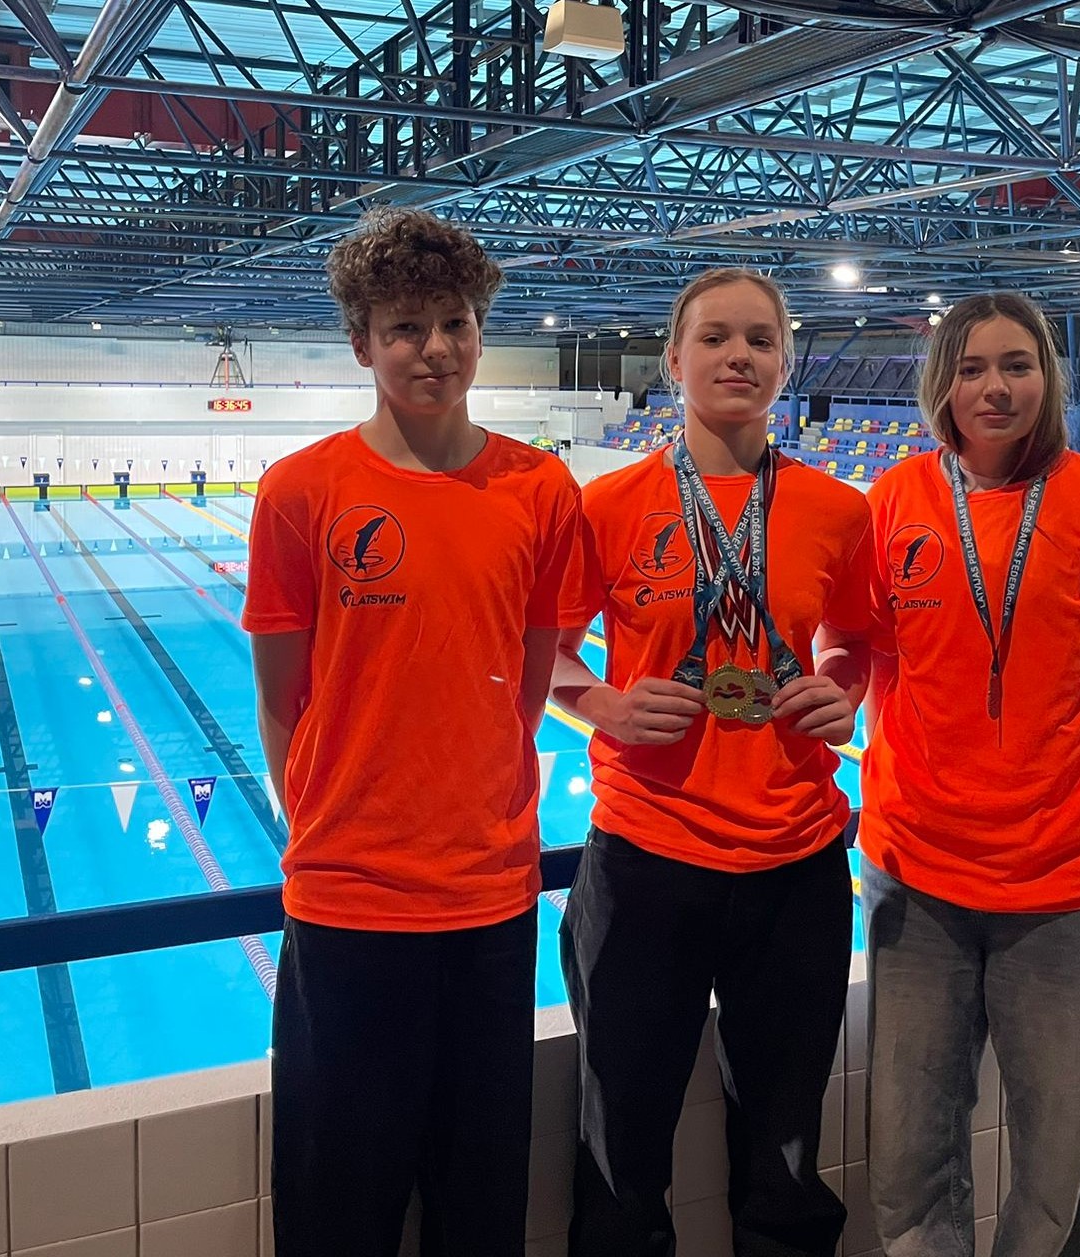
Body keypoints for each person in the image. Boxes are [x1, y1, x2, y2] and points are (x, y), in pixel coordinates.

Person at [243, 206, 587, 1257]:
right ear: (363, 345)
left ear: (481, 331)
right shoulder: (301, 491)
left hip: (489, 895)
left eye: (454, 322)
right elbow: (280, 701)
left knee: (479, 1204)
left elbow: (531, 680)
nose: (434, 348)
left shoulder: (539, 489)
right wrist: (331, 827)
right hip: (348, 897)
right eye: (404, 328)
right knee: (337, 1207)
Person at [860, 292, 1080, 1257]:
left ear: (1048, 379)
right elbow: (875, 665)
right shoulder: (895, 501)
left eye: (1017, 364)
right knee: (908, 1163)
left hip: (1070, 894)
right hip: (917, 881)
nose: (995, 387)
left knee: (1059, 1170)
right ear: (942, 385)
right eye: (971, 368)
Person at [551, 267, 875, 1257]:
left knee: (785, 1150)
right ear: (673, 360)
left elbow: (856, 639)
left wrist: (841, 687)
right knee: (621, 1145)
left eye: (760, 340)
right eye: (716, 338)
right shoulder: (608, 505)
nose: (739, 356)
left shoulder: (836, 510)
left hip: (795, 866)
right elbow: (547, 655)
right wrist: (603, 703)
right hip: (644, 859)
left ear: (786, 363)